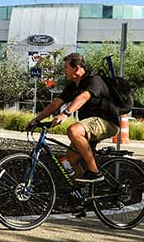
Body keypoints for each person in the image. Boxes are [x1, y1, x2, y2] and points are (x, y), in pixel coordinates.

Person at [26, 53, 119, 183]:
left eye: (66, 67)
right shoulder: (73, 86)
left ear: (77, 68)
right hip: (89, 127)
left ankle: (94, 172)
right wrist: (36, 120)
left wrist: (65, 113)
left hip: (107, 122)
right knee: (69, 160)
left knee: (73, 130)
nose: (64, 70)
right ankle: (83, 194)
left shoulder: (94, 80)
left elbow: (84, 97)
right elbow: (56, 104)